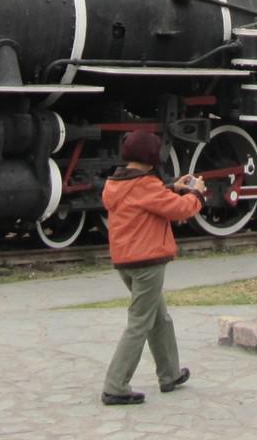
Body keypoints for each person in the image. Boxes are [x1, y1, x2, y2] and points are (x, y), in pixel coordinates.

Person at [100, 130, 206, 406]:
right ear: (151, 157)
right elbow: (179, 210)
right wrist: (196, 193)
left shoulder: (117, 182)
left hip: (126, 262)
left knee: (160, 318)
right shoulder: (146, 185)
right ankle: (115, 386)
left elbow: (147, 199)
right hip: (147, 263)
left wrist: (171, 187)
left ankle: (170, 374)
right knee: (139, 323)